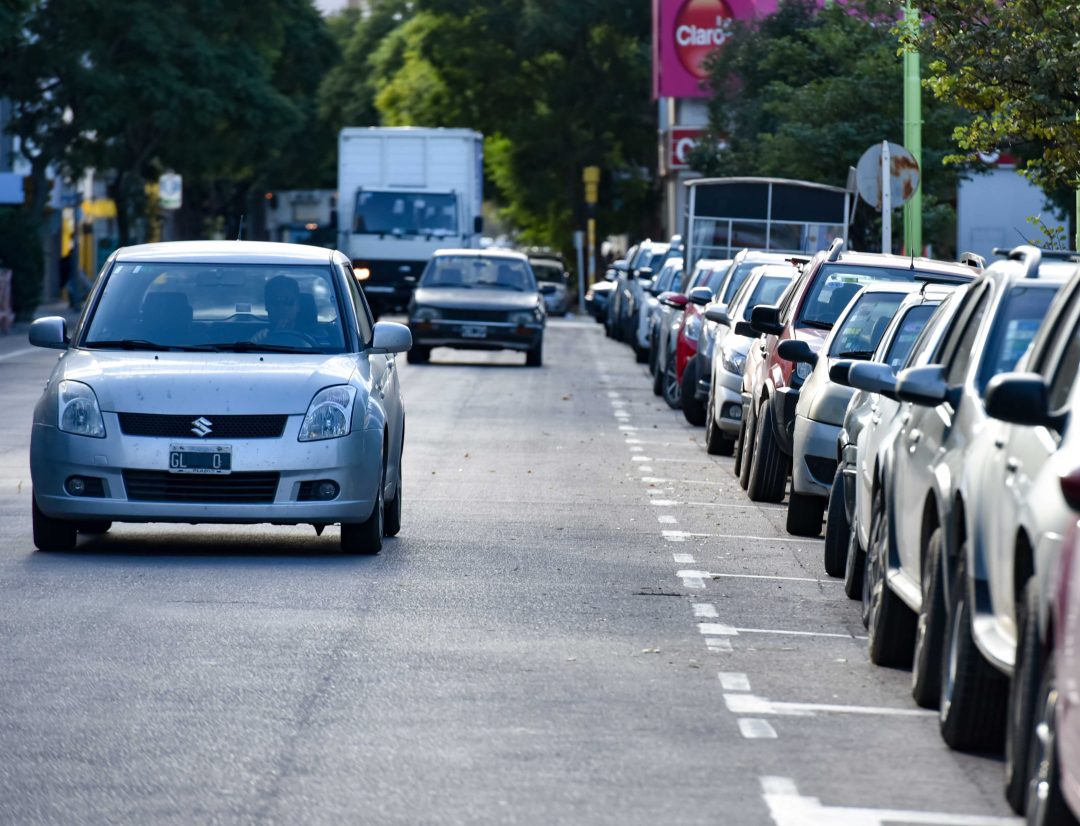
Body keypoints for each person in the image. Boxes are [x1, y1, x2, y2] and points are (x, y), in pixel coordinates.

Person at [253, 275, 301, 342]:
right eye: (273, 301)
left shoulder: (317, 338)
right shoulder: (260, 338)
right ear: (267, 307)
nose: (281, 306)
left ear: (298, 306)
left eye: (287, 300)